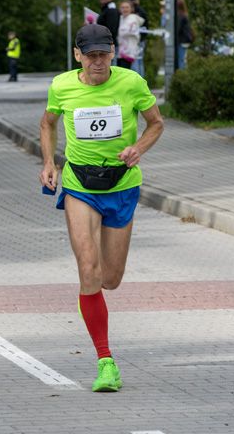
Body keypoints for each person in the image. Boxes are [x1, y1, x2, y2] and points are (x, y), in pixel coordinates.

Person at [39, 24, 164, 392]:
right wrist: (49, 163)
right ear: (78, 55)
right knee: (89, 270)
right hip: (79, 184)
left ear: (112, 53)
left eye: (103, 54)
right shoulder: (62, 86)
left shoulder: (131, 82)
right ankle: (106, 362)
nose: (98, 62)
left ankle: (104, 336)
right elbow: (47, 124)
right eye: (90, 55)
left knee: (111, 278)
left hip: (122, 185)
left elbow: (156, 123)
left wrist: (138, 148)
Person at [97, 0, 120, 65]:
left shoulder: (111, 10)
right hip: (105, 45)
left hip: (109, 47)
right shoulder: (105, 9)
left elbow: (111, 30)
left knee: (110, 72)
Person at [116, 0, 143, 69]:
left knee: (127, 74)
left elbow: (125, 32)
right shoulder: (121, 19)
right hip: (121, 52)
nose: (125, 9)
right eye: (123, 7)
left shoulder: (133, 19)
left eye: (127, 7)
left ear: (131, 9)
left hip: (129, 53)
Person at [128, 0, 148, 77]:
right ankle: (141, 81)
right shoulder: (142, 11)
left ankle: (138, 81)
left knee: (135, 62)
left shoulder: (137, 12)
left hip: (137, 40)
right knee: (140, 61)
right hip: (141, 40)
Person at [176, 0, 194, 70]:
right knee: (183, 59)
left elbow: (178, 29)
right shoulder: (184, 15)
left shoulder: (181, 16)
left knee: (181, 60)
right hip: (186, 40)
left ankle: (181, 75)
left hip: (182, 40)